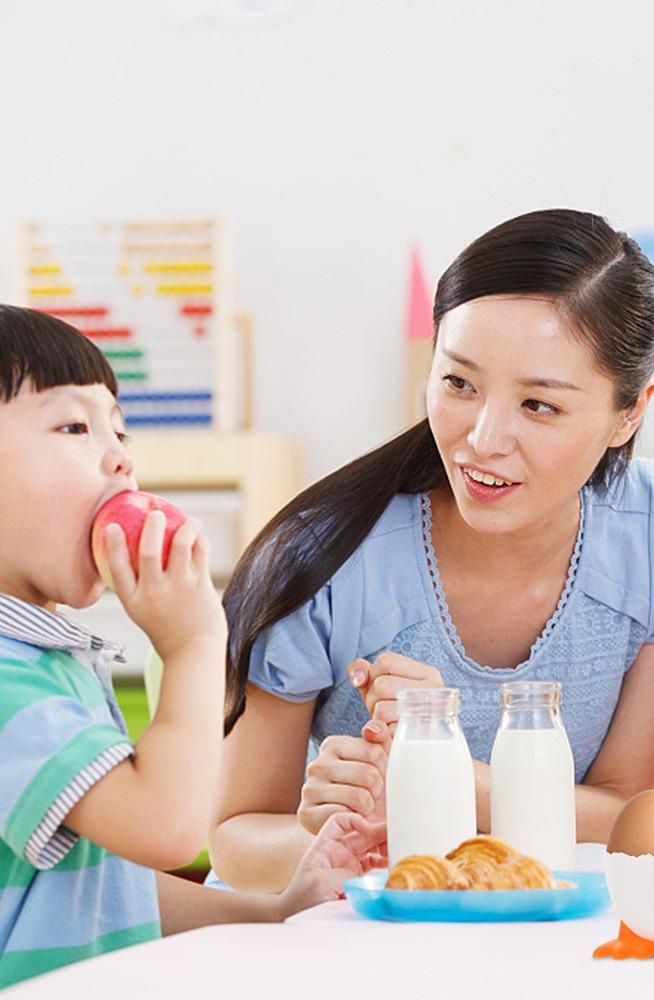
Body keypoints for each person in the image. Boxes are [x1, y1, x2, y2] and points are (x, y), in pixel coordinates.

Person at [210, 209, 654, 891]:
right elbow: (236, 837)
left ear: (629, 413)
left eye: (539, 405)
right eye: (459, 383)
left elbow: (625, 811)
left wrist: (448, 778)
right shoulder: (324, 556)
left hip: (544, 925)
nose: (483, 438)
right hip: (354, 934)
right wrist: (341, 841)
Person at [0, 306, 386, 988]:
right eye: (73, 426)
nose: (120, 454)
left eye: (118, 429)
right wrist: (194, 643)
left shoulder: (51, 662)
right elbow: (171, 832)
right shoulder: (8, 681)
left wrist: (272, 913)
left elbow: (101, 891)